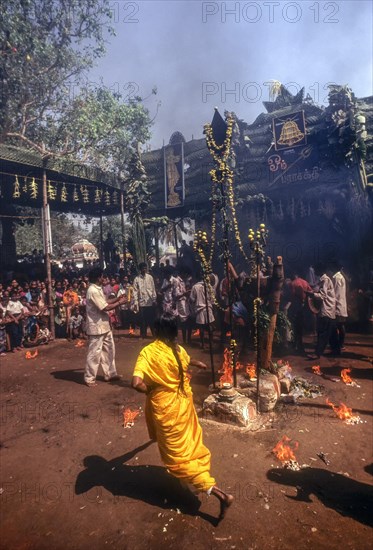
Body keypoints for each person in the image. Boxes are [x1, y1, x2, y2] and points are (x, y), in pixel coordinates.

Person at [131, 313, 233, 519]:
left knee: (176, 457)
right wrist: (197, 363)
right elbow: (185, 359)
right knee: (189, 445)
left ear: (156, 331)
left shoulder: (148, 352)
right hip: (184, 405)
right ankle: (190, 484)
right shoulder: (177, 348)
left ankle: (217, 492)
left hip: (166, 410)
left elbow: (136, 383)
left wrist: (148, 390)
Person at [84, 267, 127, 387]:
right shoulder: (92, 290)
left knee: (109, 350)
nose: (104, 278)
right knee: (94, 353)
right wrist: (120, 303)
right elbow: (105, 307)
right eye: (102, 276)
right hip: (96, 326)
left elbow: (105, 301)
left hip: (104, 325)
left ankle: (110, 374)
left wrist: (117, 298)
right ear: (99, 278)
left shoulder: (97, 289)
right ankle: (89, 378)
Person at [307, 263, 336, 360]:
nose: (314, 272)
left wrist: (312, 295)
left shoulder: (325, 280)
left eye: (315, 270)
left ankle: (317, 353)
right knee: (331, 332)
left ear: (320, 270)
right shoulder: (324, 279)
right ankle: (336, 350)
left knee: (322, 333)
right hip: (329, 310)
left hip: (326, 310)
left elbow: (323, 296)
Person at [133, 262, 157, 338]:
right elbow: (135, 291)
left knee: (151, 318)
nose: (144, 269)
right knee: (142, 319)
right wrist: (136, 302)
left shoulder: (150, 278)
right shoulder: (137, 279)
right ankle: (143, 334)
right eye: (142, 268)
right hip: (142, 302)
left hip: (149, 301)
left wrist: (154, 299)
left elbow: (153, 289)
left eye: (145, 268)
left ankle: (154, 334)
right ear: (140, 269)